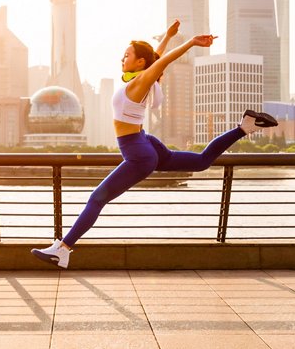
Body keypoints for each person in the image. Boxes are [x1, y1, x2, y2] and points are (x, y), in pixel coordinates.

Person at [32, 19, 277, 268]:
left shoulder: (140, 83)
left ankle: (62, 249)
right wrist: (168, 36)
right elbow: (156, 58)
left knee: (97, 199)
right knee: (202, 161)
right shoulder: (143, 79)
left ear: (139, 62)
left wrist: (191, 43)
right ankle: (245, 127)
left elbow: (161, 61)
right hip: (145, 143)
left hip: (138, 153)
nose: (122, 58)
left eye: (126, 55)